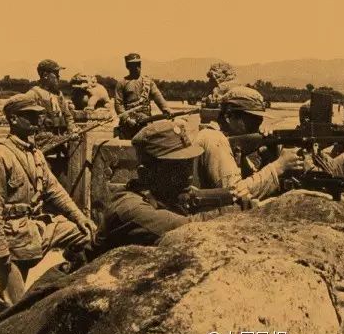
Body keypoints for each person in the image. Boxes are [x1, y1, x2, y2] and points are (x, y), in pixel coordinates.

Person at [0, 93, 97, 307]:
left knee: (88, 234)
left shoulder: (35, 153)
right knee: (17, 308)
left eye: (38, 115)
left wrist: (80, 218)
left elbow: (55, 190)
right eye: (30, 115)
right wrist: (0, 252)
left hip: (37, 226)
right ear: (13, 119)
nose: (37, 120)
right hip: (13, 237)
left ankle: (71, 287)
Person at [89, 121, 226, 257]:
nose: (188, 174)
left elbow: (193, 199)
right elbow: (189, 228)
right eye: (177, 167)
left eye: (189, 164)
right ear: (145, 174)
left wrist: (232, 195)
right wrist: (235, 209)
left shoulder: (164, 194)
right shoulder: (131, 209)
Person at [195, 86, 303, 200]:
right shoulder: (214, 139)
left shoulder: (230, 141)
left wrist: (269, 154)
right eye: (252, 120)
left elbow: (248, 179)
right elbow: (234, 194)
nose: (258, 125)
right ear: (229, 116)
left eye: (259, 119)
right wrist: (278, 166)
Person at [114, 53, 173, 139]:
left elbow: (157, 96)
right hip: (129, 122)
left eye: (138, 64)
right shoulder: (122, 83)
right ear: (128, 66)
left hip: (146, 119)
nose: (137, 67)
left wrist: (166, 110)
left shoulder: (148, 82)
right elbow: (118, 104)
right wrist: (127, 119)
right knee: (128, 145)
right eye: (133, 65)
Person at [25, 59, 79, 146]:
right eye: (56, 73)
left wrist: (72, 129)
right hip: (42, 144)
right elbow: (25, 122)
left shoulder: (58, 94)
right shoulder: (33, 94)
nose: (59, 76)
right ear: (45, 75)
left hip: (61, 141)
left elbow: (68, 116)